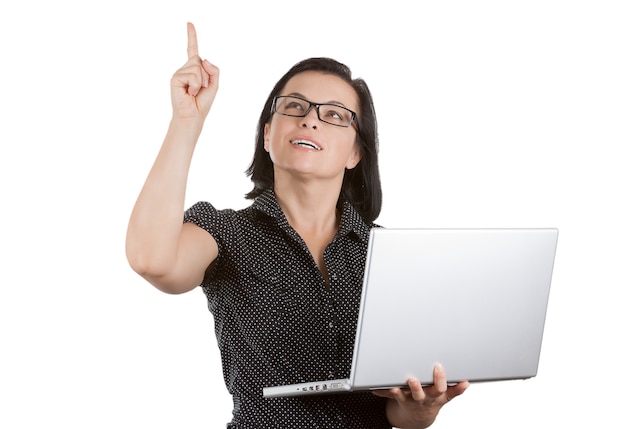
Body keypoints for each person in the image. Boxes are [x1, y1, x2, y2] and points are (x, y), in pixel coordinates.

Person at [125, 22, 469, 429]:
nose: (311, 120)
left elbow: (396, 409)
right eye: (295, 107)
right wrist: (186, 122)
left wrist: (421, 409)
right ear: (268, 135)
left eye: (335, 115)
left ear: (356, 151)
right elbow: (152, 260)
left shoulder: (389, 257)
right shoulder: (226, 234)